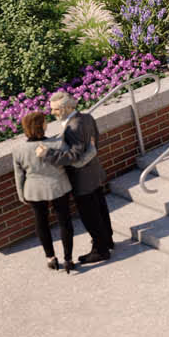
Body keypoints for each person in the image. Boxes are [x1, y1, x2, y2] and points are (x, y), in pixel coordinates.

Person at [49, 92, 113, 265]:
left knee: (90, 216)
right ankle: (107, 240)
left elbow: (74, 156)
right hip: (94, 173)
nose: (53, 113)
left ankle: (100, 250)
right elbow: (94, 142)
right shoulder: (87, 118)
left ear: (68, 108)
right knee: (100, 208)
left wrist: (50, 155)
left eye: (56, 110)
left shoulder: (73, 127)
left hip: (81, 180)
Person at [12, 110, 75, 273]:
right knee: (64, 222)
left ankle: (50, 258)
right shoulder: (58, 144)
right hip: (58, 186)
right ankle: (68, 259)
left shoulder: (19, 150)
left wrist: (21, 194)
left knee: (41, 223)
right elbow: (69, 161)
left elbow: (19, 175)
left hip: (33, 190)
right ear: (42, 126)